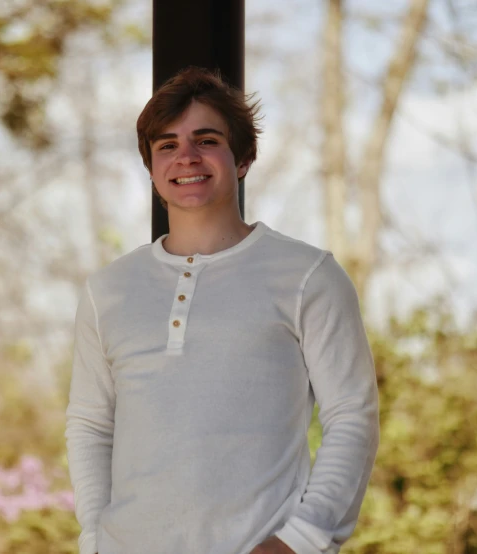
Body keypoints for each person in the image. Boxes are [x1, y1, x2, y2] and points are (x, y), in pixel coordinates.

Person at [65, 66, 379, 554]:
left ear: (243, 159)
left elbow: (352, 416)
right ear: (150, 167)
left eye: (205, 139)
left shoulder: (307, 276)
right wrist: (94, 540)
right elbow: (90, 425)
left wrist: (302, 538)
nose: (185, 156)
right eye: (166, 145)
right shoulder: (108, 290)